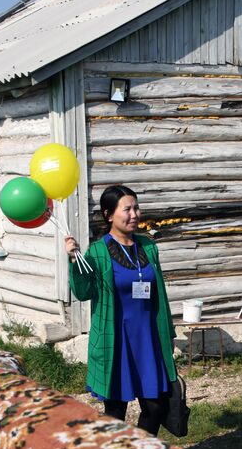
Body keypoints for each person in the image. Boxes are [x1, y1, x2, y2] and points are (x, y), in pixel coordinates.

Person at [65, 185, 177, 434]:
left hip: (148, 339)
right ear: (108, 215)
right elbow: (83, 292)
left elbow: (161, 295)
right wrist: (74, 259)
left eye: (136, 208)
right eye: (127, 209)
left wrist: (168, 333)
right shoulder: (97, 252)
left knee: (156, 406)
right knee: (116, 412)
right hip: (116, 340)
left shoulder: (148, 247)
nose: (134, 214)